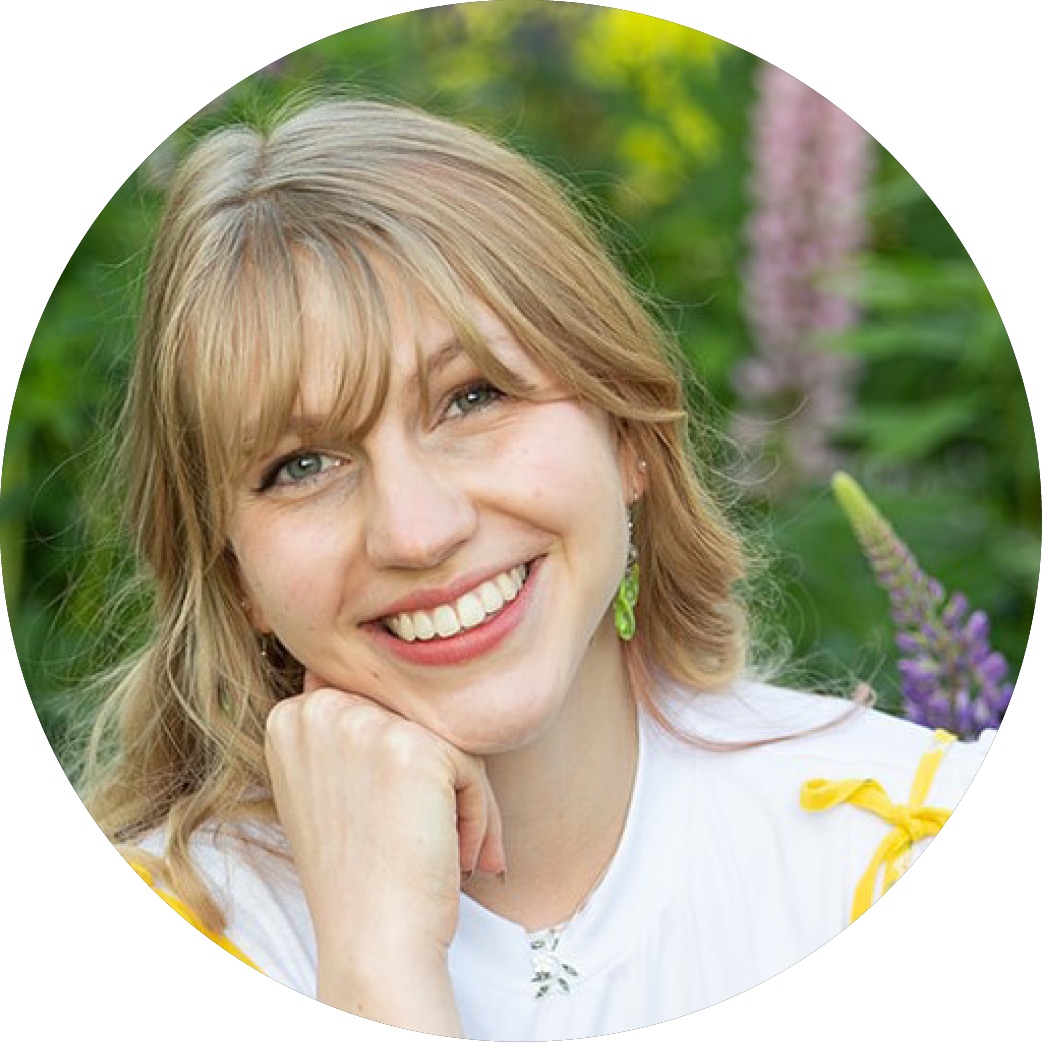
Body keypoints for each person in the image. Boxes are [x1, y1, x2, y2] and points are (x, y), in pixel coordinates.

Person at [80, 98, 993, 1040]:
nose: (418, 530)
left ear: (627, 435)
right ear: (235, 577)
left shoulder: (913, 848)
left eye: (472, 397)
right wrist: (372, 960)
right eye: (302, 465)